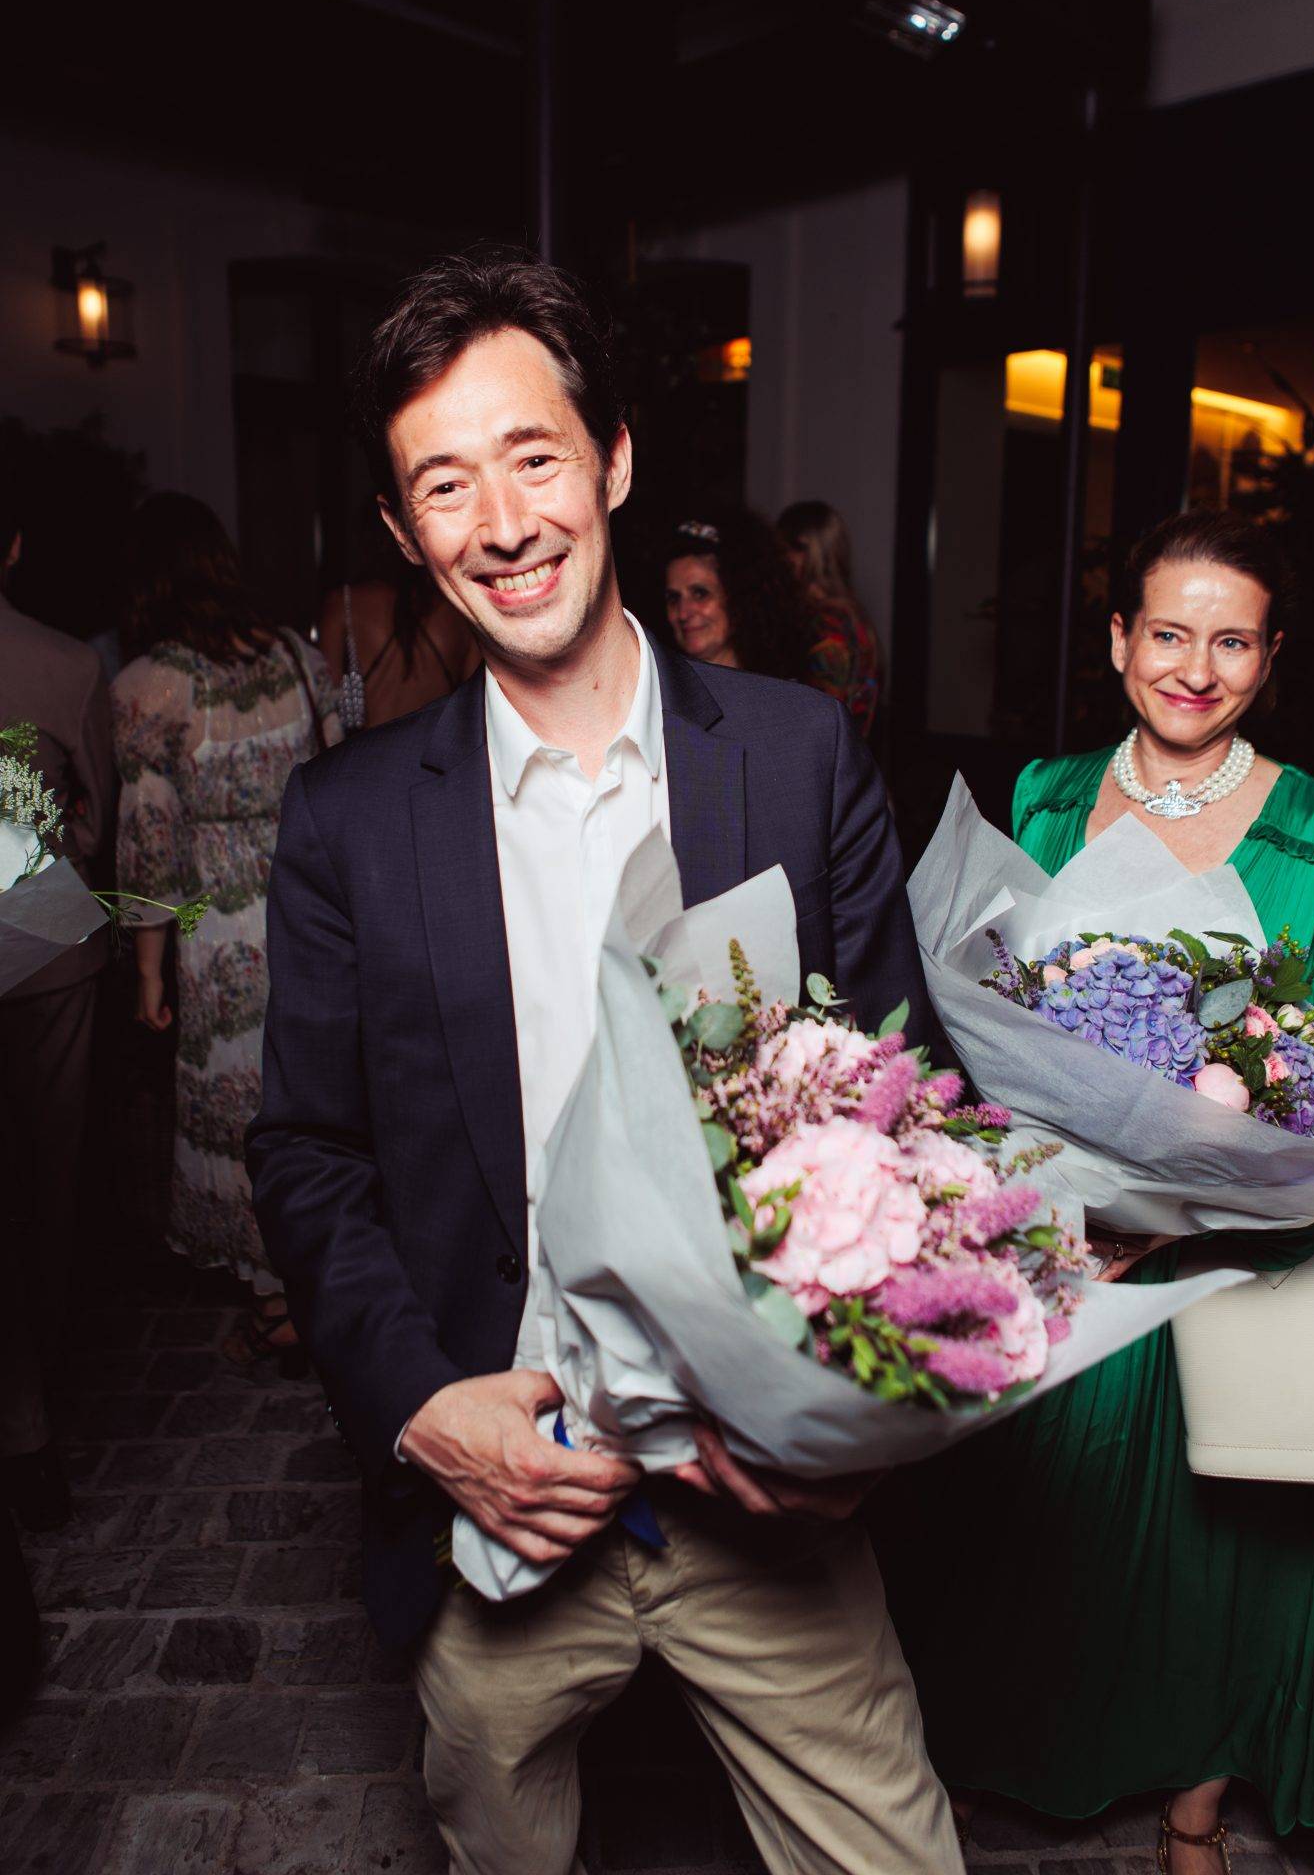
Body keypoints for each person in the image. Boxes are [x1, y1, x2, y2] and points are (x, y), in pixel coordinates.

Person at [247, 250, 960, 1875]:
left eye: (534, 456)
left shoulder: (796, 754)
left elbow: (907, 1097)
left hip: (753, 1489)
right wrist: (422, 1409)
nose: (501, 521)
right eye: (445, 482)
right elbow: (307, 1153)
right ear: (402, 529)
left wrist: (857, 1407)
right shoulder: (349, 821)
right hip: (507, 1484)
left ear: (615, 460)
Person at [902, 511, 1314, 1872]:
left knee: (1226, 1544)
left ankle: (1195, 1800)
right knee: (1027, 1519)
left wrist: (1214, 1172)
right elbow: (983, 1006)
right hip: (1058, 1235)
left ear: (1270, 656)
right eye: (1168, 633)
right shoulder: (1044, 796)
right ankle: (995, 1751)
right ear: (1118, 640)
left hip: (1237, 1251)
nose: (1195, 670)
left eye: (1233, 643)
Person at [111, 494, 339, 1371]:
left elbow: (150, 842)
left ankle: (278, 1301)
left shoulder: (147, 687)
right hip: (313, 915)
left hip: (219, 938)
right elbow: (343, 775)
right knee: (313, 1101)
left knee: (245, 1109)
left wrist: (147, 975)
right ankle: (325, 1284)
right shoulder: (296, 657)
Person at [0, 501, 115, 1530]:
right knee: (46, 1179)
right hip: (39, 933)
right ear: (14, 548)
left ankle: (25, 1417)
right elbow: (93, 821)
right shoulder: (66, 663)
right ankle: (32, 1418)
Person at [318, 549, 479, 730]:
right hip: (435, 743)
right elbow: (473, 705)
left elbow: (325, 695)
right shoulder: (462, 613)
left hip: (371, 743)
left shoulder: (344, 603)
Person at [663, 505, 811, 680]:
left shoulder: (779, 690)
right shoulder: (660, 688)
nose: (683, 613)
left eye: (700, 594)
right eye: (674, 598)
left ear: (739, 597)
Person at [778, 498, 881, 739]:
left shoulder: (827, 624)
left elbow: (822, 719)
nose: (778, 559)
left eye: (782, 549)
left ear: (804, 551)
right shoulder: (849, 615)